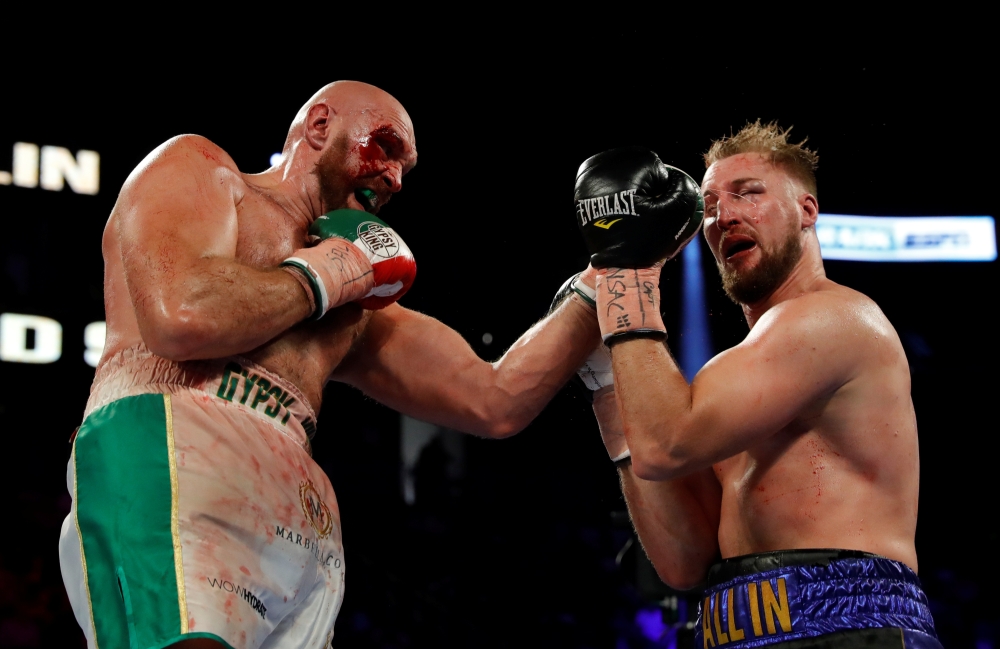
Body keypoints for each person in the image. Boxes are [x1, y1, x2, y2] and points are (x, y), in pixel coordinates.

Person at [57, 81, 701, 649]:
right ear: (318, 126)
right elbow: (183, 317)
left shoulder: (356, 302)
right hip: (169, 446)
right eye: (385, 147)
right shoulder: (201, 170)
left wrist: (612, 267)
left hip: (299, 508)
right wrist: (336, 269)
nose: (394, 176)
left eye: (406, 168)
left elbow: (493, 398)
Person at [577, 124, 941, 648]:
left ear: (807, 211)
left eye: (749, 193)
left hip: (850, 625)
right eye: (708, 205)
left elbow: (664, 444)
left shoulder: (836, 318)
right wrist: (609, 382)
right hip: (733, 628)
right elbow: (684, 559)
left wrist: (624, 276)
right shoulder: (730, 378)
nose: (724, 215)